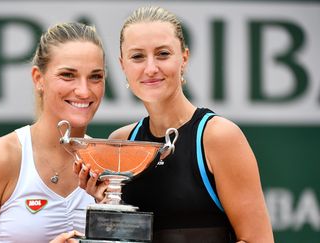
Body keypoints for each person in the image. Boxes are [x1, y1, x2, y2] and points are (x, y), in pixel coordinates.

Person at [76, 6, 274, 243]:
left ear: (184, 59)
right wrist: (105, 205)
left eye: (163, 54)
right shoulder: (123, 139)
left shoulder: (218, 136)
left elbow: (258, 240)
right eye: (137, 56)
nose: (150, 68)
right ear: (122, 66)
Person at [0, 22, 106, 243]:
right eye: (67, 75)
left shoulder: (107, 165)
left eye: (95, 77)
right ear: (38, 79)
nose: (84, 91)